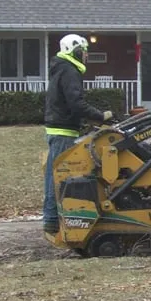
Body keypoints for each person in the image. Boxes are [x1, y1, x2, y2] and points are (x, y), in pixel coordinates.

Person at [42, 34, 113, 235]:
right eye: (83, 52)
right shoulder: (69, 70)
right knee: (59, 177)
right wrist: (101, 116)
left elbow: (66, 103)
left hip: (58, 129)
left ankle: (54, 218)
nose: (85, 56)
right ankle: (52, 220)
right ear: (74, 51)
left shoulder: (60, 68)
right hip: (63, 132)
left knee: (53, 175)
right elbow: (76, 103)